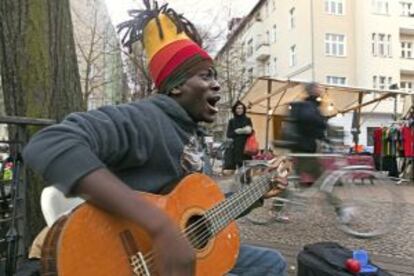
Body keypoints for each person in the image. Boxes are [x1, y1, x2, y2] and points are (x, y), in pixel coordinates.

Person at [22, 2, 287, 275]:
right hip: (125, 258)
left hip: (176, 256)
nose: (216, 84)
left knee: (271, 263)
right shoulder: (143, 119)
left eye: (216, 77)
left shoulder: (192, 132)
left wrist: (258, 192)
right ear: (176, 86)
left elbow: (200, 216)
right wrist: (160, 227)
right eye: (206, 75)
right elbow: (51, 141)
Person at [224, 101, 254, 172]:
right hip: (236, 147)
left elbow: (251, 132)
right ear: (235, 109)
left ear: (244, 110)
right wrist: (238, 131)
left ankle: (247, 181)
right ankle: (240, 181)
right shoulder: (232, 121)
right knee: (239, 166)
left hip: (247, 147)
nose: (240, 110)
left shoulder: (247, 119)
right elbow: (228, 134)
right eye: (238, 108)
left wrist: (249, 130)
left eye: (241, 108)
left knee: (247, 167)